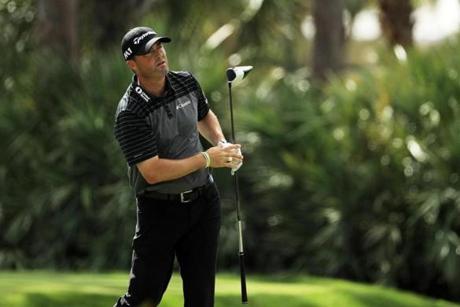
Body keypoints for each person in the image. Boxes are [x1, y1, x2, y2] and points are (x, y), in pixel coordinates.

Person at [113, 26, 243, 307]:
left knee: (201, 296)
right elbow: (152, 171)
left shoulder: (185, 82)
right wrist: (208, 159)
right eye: (149, 52)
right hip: (160, 210)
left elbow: (204, 115)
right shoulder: (130, 113)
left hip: (203, 204)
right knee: (143, 297)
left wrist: (221, 143)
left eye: (160, 46)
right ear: (132, 64)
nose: (159, 53)